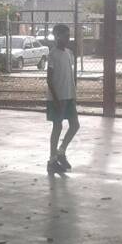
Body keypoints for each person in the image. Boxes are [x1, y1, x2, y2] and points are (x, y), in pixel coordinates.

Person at [46, 23, 79, 174]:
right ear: (57, 36)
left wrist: (73, 94)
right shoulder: (52, 54)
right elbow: (49, 79)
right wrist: (56, 99)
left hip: (69, 96)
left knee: (75, 125)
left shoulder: (69, 53)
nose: (68, 38)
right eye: (65, 35)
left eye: (68, 35)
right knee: (57, 127)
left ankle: (61, 151)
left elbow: (69, 76)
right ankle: (52, 160)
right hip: (57, 98)